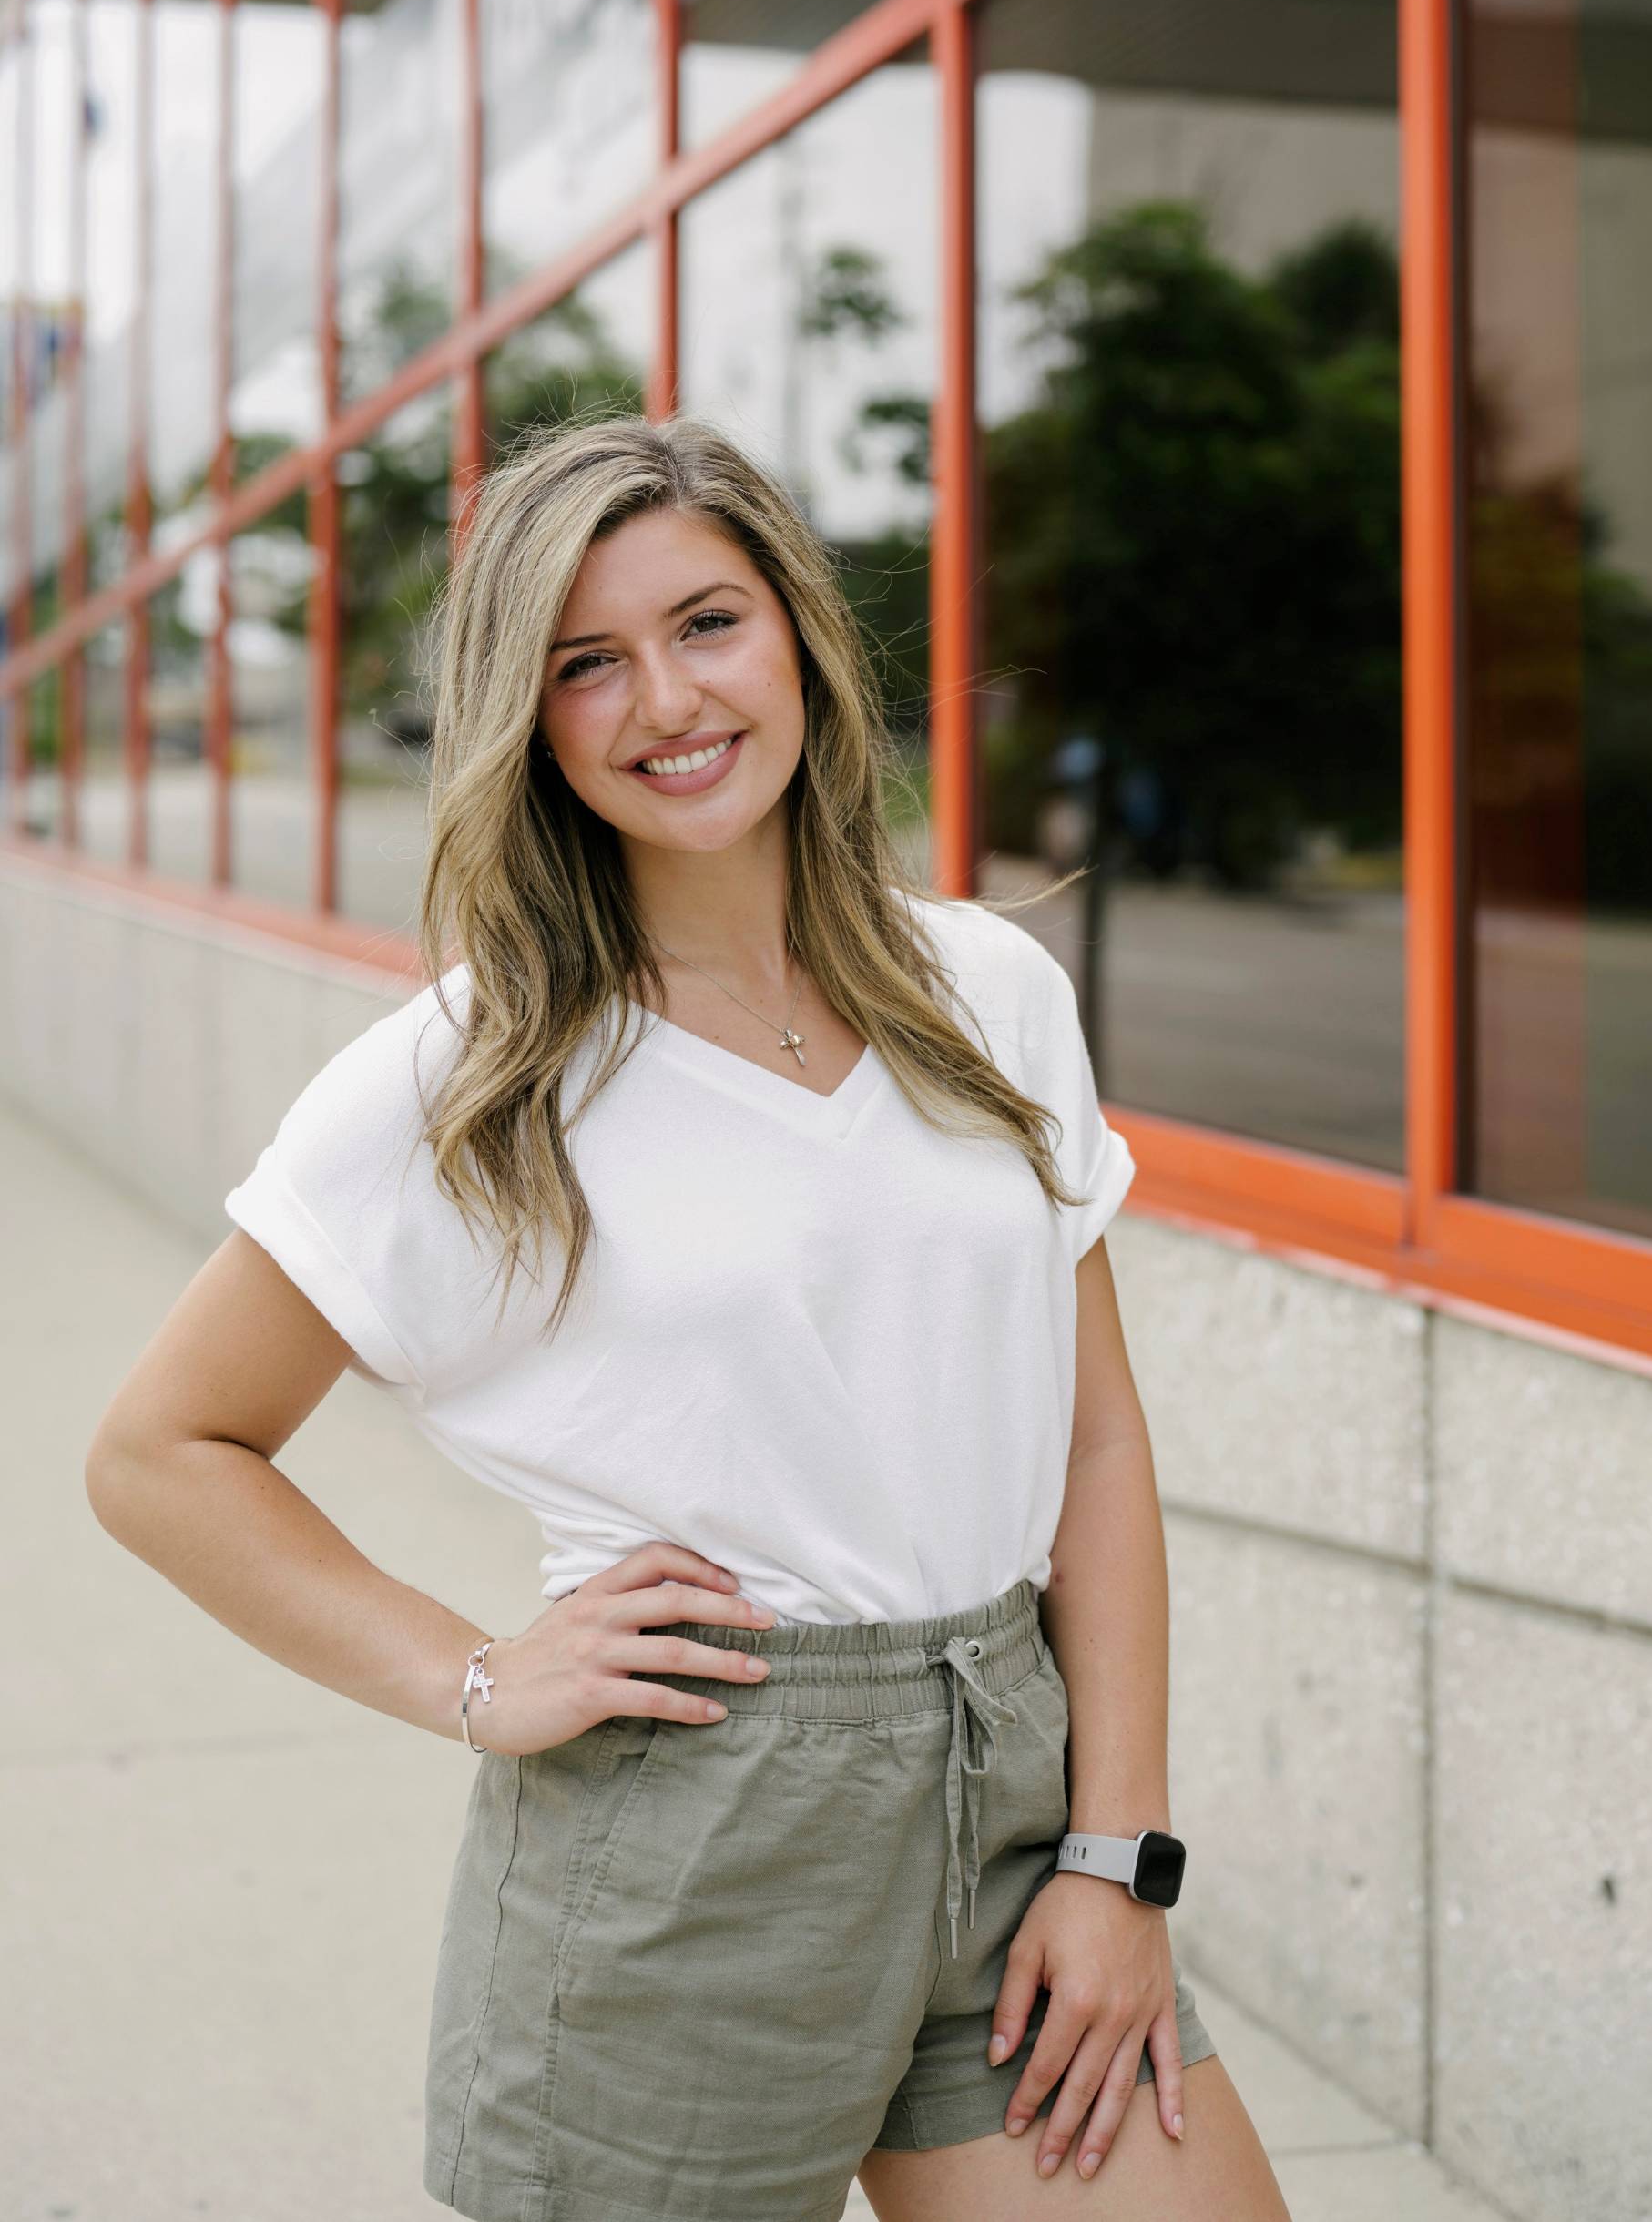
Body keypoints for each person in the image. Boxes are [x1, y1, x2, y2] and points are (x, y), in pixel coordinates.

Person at [84, 413, 1293, 2222]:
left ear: (797, 632)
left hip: (1013, 1804)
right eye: (588, 662)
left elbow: (1095, 1443)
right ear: (527, 715)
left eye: (706, 624)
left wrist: (1117, 1857)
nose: (666, 700)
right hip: (689, 1857)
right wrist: (474, 1677)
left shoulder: (988, 991)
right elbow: (161, 1453)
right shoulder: (467, 1079)